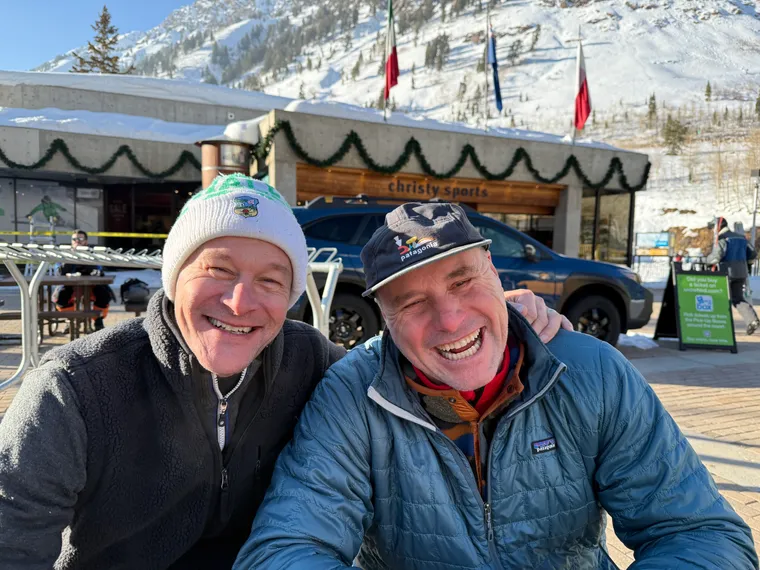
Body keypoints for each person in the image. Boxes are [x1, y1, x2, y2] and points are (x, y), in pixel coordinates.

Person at [0, 175, 566, 570]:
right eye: (218, 270)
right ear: (174, 278)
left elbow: (410, 367)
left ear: (291, 295)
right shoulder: (75, 389)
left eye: (271, 280)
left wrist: (497, 320)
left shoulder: (311, 362)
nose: (242, 301)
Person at [236, 202, 758, 569]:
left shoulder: (592, 373)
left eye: (462, 281)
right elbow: (284, 549)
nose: (450, 319)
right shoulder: (352, 397)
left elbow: (702, 534)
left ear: (494, 273)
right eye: (412, 303)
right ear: (385, 318)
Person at [706, 217, 759, 335]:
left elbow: (716, 257)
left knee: (720, 299)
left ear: (717, 227)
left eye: (712, 228)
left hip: (727, 273)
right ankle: (752, 320)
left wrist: (707, 261)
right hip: (741, 273)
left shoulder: (722, 239)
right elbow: (753, 254)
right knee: (738, 298)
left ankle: (721, 327)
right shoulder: (741, 237)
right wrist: (746, 264)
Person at [54, 229, 112, 331]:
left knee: (103, 293)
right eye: (74, 239)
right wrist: (71, 258)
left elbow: (99, 272)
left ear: (86, 241)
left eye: (80, 239)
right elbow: (59, 272)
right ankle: (70, 319)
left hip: (91, 285)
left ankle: (98, 321)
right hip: (70, 286)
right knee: (61, 295)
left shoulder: (93, 254)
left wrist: (85, 260)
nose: (77, 241)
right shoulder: (65, 253)